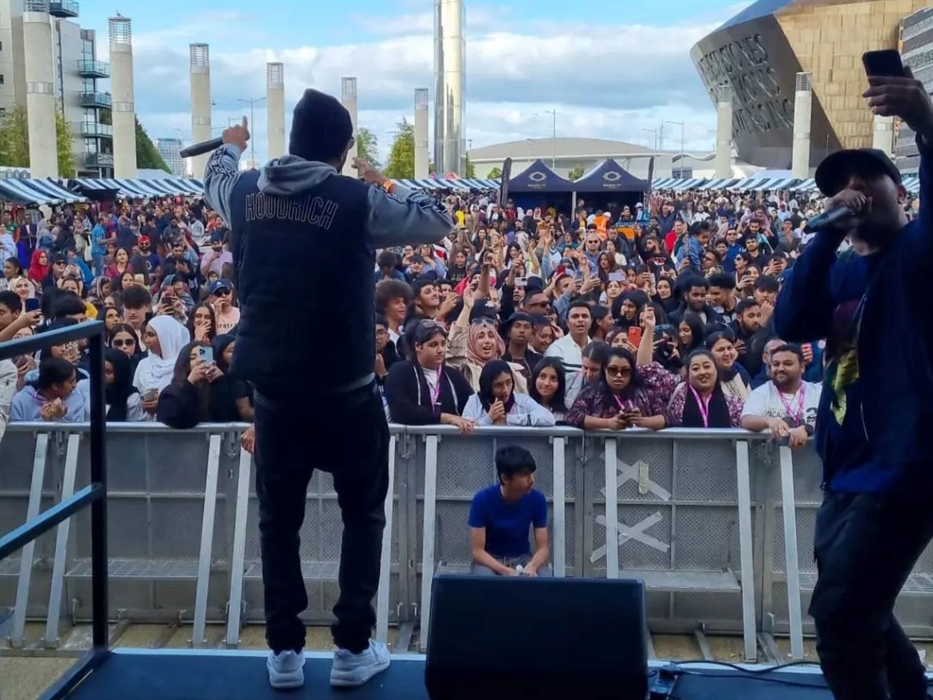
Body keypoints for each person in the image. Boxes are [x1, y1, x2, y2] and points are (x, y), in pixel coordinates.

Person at [202, 90, 454, 691]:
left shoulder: (243, 194)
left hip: (277, 398)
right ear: (342, 152)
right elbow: (439, 219)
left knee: (277, 524)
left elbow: (215, 176)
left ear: (291, 140)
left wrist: (231, 146)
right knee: (363, 518)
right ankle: (351, 649)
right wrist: (385, 180)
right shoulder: (357, 199)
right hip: (347, 395)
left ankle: (285, 654)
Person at [773, 66, 933, 700]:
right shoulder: (838, 271)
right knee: (861, 606)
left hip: (906, 465)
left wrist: (925, 124)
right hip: (845, 466)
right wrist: (825, 235)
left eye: (868, 177)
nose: (854, 188)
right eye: (839, 185)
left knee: (838, 616)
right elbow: (790, 321)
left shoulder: (920, 252)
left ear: (900, 189)